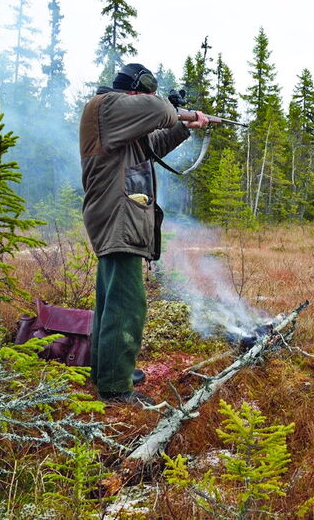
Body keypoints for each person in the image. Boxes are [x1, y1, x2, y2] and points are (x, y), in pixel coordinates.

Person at [79, 63, 208, 404]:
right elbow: (156, 109)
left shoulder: (121, 124)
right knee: (127, 305)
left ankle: (108, 371)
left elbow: (155, 142)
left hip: (120, 216)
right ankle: (116, 388)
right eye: (145, 95)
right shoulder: (106, 106)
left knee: (112, 300)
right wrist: (178, 110)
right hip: (118, 216)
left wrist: (185, 126)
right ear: (133, 93)